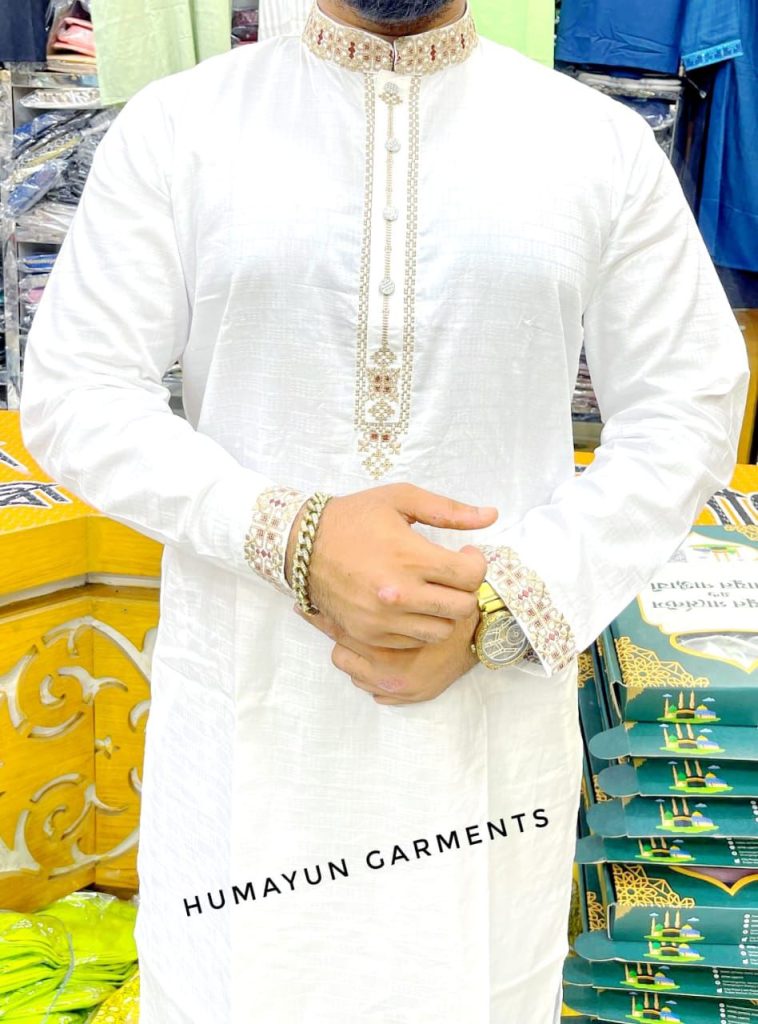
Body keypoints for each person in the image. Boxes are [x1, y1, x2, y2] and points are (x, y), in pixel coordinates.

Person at [19, 0, 749, 1020]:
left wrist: (503, 604)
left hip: (484, 728)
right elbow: (77, 391)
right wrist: (294, 533)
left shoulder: (595, 144)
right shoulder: (181, 128)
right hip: (251, 722)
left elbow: (688, 404)